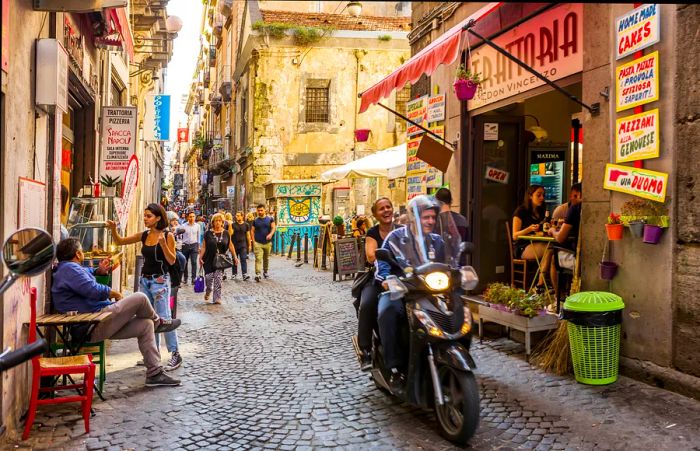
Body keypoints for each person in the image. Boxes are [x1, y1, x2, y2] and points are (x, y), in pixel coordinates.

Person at [52, 238, 181, 387]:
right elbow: (92, 290)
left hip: (98, 321)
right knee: (140, 298)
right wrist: (113, 293)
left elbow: (86, 274)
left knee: (146, 325)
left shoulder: (69, 268)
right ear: (78, 254)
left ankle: (155, 373)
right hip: (93, 323)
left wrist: (97, 271)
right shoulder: (69, 269)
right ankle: (158, 322)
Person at [375, 195, 445, 391]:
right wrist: (388, 281)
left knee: (458, 310)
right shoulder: (396, 237)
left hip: (430, 291)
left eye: (433, 217)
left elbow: (449, 263)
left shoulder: (437, 241)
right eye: (426, 217)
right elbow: (382, 263)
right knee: (387, 312)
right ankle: (394, 367)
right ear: (414, 218)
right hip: (401, 290)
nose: (431, 221)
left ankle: (449, 353)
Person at [106, 203, 183, 372]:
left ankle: (175, 354)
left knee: (164, 318)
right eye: (144, 216)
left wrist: (163, 244)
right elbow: (120, 241)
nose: (145, 219)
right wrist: (113, 229)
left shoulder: (168, 235)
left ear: (158, 218)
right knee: (149, 319)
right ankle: (152, 355)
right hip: (145, 281)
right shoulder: (144, 235)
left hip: (160, 281)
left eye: (148, 216)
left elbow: (172, 261)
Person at [357, 197, 398, 371]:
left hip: (402, 278)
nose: (386, 210)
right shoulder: (372, 233)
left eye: (388, 207)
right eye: (381, 209)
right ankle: (365, 350)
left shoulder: (402, 230)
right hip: (379, 279)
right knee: (366, 304)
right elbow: (371, 256)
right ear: (375, 214)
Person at [512, 185, 552, 289]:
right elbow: (515, 235)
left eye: (543, 195)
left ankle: (549, 286)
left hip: (537, 243)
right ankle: (540, 285)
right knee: (549, 249)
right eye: (538, 195)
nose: (542, 198)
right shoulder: (521, 211)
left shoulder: (542, 211)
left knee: (553, 250)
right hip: (522, 247)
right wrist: (529, 229)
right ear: (530, 196)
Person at [199, 213, 239, 304]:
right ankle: (208, 290)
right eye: (216, 221)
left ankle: (217, 298)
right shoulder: (208, 233)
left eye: (220, 221)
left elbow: (230, 245)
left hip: (220, 260)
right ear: (213, 222)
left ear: (222, 222)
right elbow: (204, 247)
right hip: (208, 259)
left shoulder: (226, 233)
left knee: (218, 278)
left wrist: (235, 257)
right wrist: (200, 257)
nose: (218, 223)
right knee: (208, 278)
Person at [251, 204, 276, 282]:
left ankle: (265, 271)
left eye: (261, 210)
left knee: (266, 258)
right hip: (258, 242)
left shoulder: (270, 219)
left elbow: (273, 227)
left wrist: (270, 234)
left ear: (265, 210)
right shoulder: (255, 220)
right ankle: (258, 274)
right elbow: (252, 231)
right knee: (258, 258)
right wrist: (253, 242)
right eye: (258, 210)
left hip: (267, 243)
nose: (260, 212)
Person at [178, 211, 201, 285]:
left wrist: (199, 246)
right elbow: (179, 234)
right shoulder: (183, 225)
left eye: (193, 216)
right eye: (190, 216)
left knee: (194, 262)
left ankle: (193, 278)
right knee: (185, 262)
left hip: (194, 245)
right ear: (188, 217)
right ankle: (185, 278)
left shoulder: (197, 226)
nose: (192, 218)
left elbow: (198, 236)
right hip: (185, 245)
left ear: (195, 217)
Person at [231, 211, 252, 280]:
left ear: (242, 216)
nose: (237, 217)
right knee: (234, 259)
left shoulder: (246, 225)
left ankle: (244, 274)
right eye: (236, 216)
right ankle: (234, 273)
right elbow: (230, 235)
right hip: (234, 245)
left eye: (238, 215)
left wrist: (249, 245)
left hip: (243, 245)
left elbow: (248, 235)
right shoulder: (233, 225)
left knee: (243, 259)